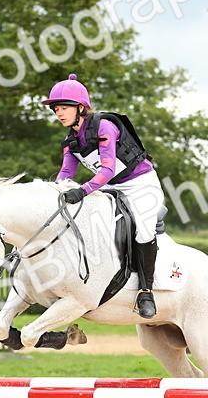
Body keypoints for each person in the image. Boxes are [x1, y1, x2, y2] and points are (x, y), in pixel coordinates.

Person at [42, 73, 164, 319]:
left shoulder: (104, 126)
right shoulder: (71, 140)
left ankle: (146, 291)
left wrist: (83, 190)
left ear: (81, 107)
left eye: (64, 108)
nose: (59, 113)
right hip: (111, 187)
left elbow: (107, 169)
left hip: (141, 185)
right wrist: (51, 196)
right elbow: (65, 173)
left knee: (142, 229)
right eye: (56, 109)